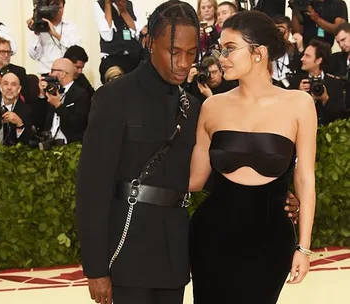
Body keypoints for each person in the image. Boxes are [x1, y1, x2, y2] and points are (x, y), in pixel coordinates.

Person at [77, 2, 301, 304]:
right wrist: (95, 269)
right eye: (174, 52)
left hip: (176, 254)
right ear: (150, 43)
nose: (183, 62)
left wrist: (274, 195)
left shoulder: (191, 106)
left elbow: (207, 176)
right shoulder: (114, 98)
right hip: (127, 250)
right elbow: (92, 188)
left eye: (191, 52)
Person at [189, 10, 316, 304]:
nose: (222, 57)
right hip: (212, 238)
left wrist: (305, 248)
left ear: (259, 52)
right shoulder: (212, 107)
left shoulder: (299, 104)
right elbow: (194, 180)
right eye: (221, 49)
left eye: (230, 48)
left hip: (271, 241)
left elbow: (305, 178)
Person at [34, 58, 90, 144]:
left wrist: (58, 106)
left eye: (53, 70)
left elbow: (78, 125)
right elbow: (39, 121)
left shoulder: (81, 94)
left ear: (62, 73)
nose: (50, 74)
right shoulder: (52, 91)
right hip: (48, 144)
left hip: (69, 146)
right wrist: (41, 95)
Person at [293, 39, 345, 125]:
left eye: (307, 56)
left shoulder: (335, 83)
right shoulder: (296, 81)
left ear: (318, 60)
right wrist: (299, 93)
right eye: (303, 55)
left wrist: (325, 99)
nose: (302, 59)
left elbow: (338, 118)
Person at [94, 0, 145, 84]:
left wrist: (124, 12)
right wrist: (107, 4)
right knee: (115, 83)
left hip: (133, 56)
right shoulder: (99, 5)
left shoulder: (130, 4)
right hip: (112, 58)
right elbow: (107, 36)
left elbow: (137, 33)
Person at [27, 0, 81, 75]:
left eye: (58, 5)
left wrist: (56, 35)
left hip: (67, 74)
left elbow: (76, 52)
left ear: (63, 7)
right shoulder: (40, 26)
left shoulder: (70, 27)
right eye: (52, 5)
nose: (56, 9)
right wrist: (36, 31)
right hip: (46, 74)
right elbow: (34, 55)